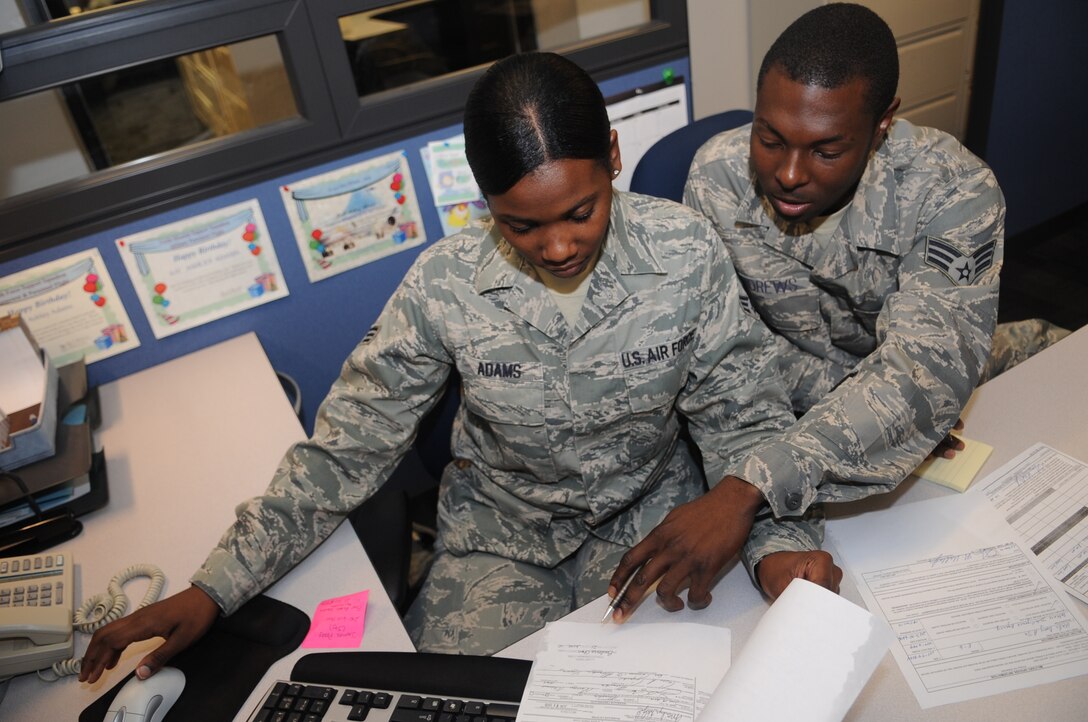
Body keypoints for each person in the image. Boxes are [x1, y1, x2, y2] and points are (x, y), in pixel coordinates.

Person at [79, 51, 837, 683]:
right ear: (485, 201)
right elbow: (347, 447)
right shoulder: (444, 285)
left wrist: (777, 550)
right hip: (500, 540)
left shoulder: (687, 253)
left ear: (612, 157)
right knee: (453, 701)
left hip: (652, 526)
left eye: (581, 212)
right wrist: (215, 588)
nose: (559, 247)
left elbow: (746, 417)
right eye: (522, 224)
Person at [605, 2, 1068, 619]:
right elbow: (736, 353)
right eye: (768, 138)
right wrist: (876, 416)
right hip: (799, 404)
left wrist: (752, 486)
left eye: (826, 150)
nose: (788, 173)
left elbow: (925, 370)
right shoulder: (716, 178)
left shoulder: (954, 189)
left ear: (882, 125)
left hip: (971, 360)